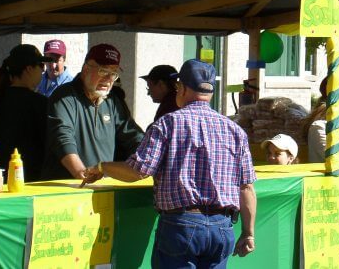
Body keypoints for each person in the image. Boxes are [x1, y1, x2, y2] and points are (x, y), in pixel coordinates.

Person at [82, 59, 257, 268]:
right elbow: (246, 188)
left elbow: (138, 171)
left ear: (181, 88)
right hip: (222, 226)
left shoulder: (167, 124)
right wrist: (249, 233)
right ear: (210, 91)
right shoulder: (234, 130)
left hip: (181, 225)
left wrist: (102, 167)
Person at [41, 43, 145, 180]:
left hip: (102, 188)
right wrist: (81, 172)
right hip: (66, 189)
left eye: (113, 74)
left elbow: (133, 137)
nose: (108, 79)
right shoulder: (64, 96)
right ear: (86, 69)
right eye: (103, 71)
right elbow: (62, 138)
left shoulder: (112, 102)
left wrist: (151, 159)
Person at [0, 44, 52, 181]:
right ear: (29, 69)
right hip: (30, 180)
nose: (43, 72)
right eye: (41, 66)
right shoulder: (40, 103)